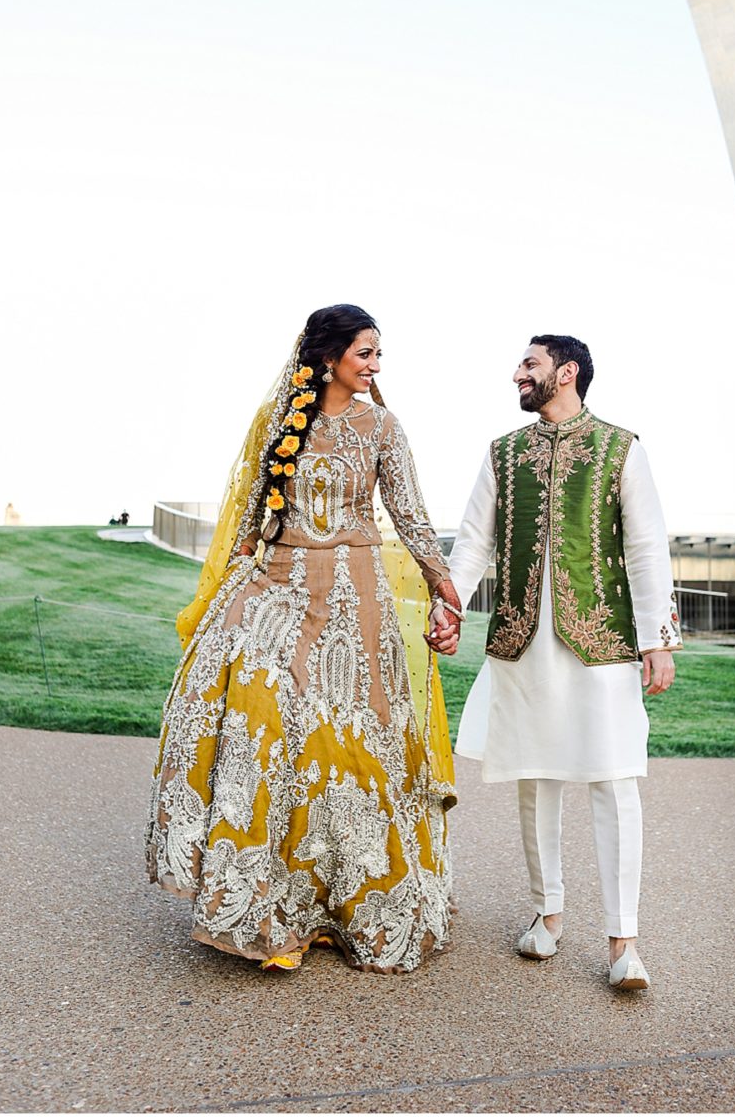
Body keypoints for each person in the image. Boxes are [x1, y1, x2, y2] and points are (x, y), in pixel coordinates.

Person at [146, 304, 462, 973]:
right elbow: (252, 507)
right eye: (365, 353)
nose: (376, 366)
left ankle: (353, 904)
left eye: (378, 354)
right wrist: (230, 583)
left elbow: (409, 514)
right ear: (328, 356)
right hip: (280, 586)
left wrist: (442, 585)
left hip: (356, 596)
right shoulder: (281, 423)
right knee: (265, 727)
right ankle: (266, 905)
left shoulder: (382, 426)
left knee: (351, 739)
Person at [447, 334, 680, 990]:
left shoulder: (619, 447)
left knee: (613, 782)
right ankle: (547, 917)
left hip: (600, 643)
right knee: (534, 778)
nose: (516, 373)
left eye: (529, 364)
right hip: (520, 640)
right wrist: (448, 605)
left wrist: (654, 638)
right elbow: (472, 543)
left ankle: (622, 943)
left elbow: (645, 548)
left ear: (566, 372)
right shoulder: (503, 454)